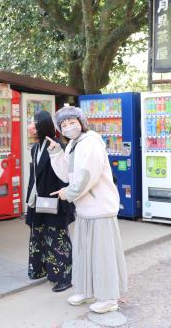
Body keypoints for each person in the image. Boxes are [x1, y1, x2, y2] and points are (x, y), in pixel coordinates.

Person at [46, 106, 127, 314]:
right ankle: (85, 290)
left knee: (102, 255)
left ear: (81, 122)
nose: (68, 126)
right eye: (63, 124)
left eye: (71, 121)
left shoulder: (90, 142)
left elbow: (86, 176)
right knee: (83, 254)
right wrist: (56, 152)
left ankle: (109, 298)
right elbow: (68, 174)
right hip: (85, 208)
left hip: (99, 207)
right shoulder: (74, 143)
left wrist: (69, 193)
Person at [25, 110, 75, 293]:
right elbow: (34, 177)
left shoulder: (57, 146)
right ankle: (40, 270)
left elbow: (64, 176)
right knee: (38, 235)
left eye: (33, 123)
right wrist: (29, 200)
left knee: (57, 238)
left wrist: (65, 202)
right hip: (39, 201)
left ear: (42, 126)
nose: (30, 126)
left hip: (55, 200)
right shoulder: (36, 147)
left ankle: (64, 277)